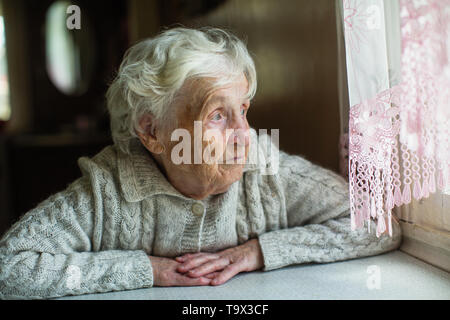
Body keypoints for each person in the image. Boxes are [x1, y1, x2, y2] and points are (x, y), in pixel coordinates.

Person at [0, 26, 401, 299]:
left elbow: (377, 224)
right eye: (217, 116)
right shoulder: (109, 190)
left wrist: (257, 252)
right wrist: (146, 270)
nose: (244, 134)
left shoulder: (263, 168)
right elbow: (10, 268)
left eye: (243, 110)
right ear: (151, 132)